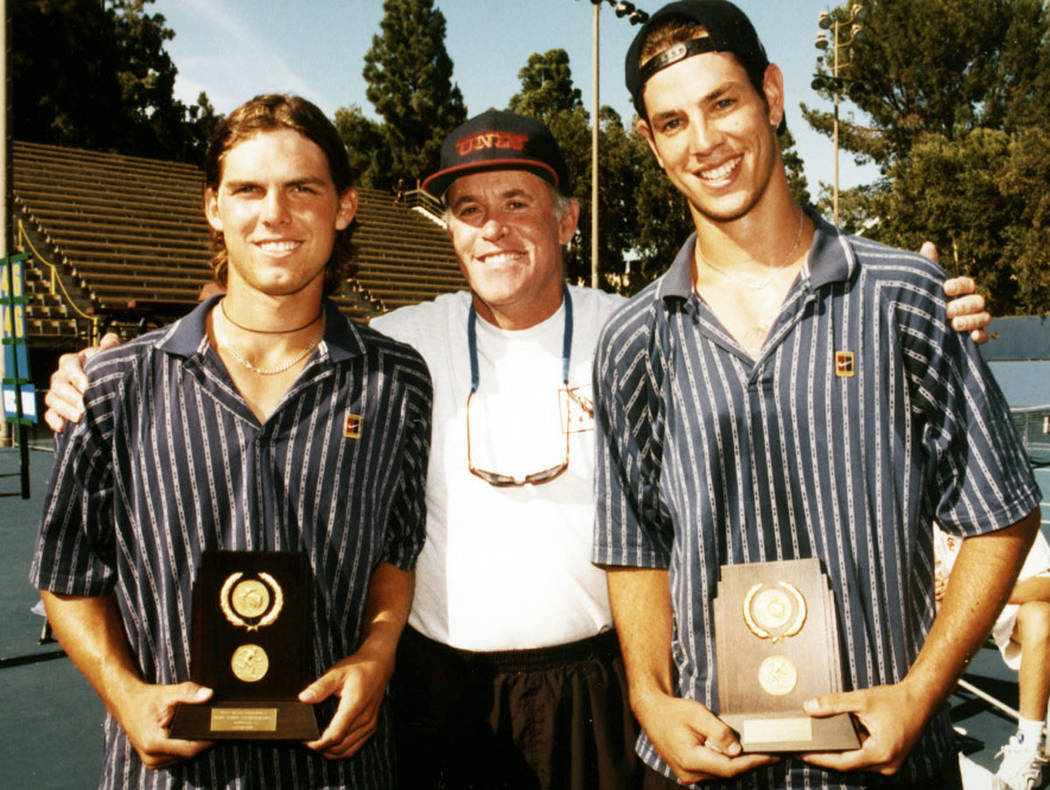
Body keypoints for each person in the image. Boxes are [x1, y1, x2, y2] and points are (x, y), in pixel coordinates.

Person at [42, 107, 990, 788]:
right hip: (431, 690)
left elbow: (767, 322)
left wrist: (935, 305)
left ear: (567, 217)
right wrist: (90, 368)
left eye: (519, 201)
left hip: (597, 689)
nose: (493, 226)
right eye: (469, 208)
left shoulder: (644, 330)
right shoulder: (398, 344)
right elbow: (271, 342)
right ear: (445, 227)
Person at [592, 2, 1042, 788]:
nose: (704, 143)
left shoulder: (904, 295)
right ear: (649, 141)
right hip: (710, 764)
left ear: (771, 94)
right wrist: (649, 696)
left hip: (889, 760)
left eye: (723, 103)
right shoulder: (633, 339)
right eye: (672, 123)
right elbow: (635, 547)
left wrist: (921, 693)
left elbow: (1002, 514)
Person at [31, 94, 432, 789]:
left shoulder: (396, 380)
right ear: (214, 208)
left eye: (302, 189)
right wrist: (124, 692)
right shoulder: (114, 385)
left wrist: (379, 652)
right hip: (169, 776)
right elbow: (68, 579)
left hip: (340, 770)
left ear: (344, 207)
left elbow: (396, 552)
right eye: (248, 189)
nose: (274, 213)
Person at [935, 524, 1050, 790]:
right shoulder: (928, 512)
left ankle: (1028, 749)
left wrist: (986, 593)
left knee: (1041, 617)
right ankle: (933, 735)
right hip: (953, 610)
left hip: (1007, 605)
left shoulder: (1009, 515)